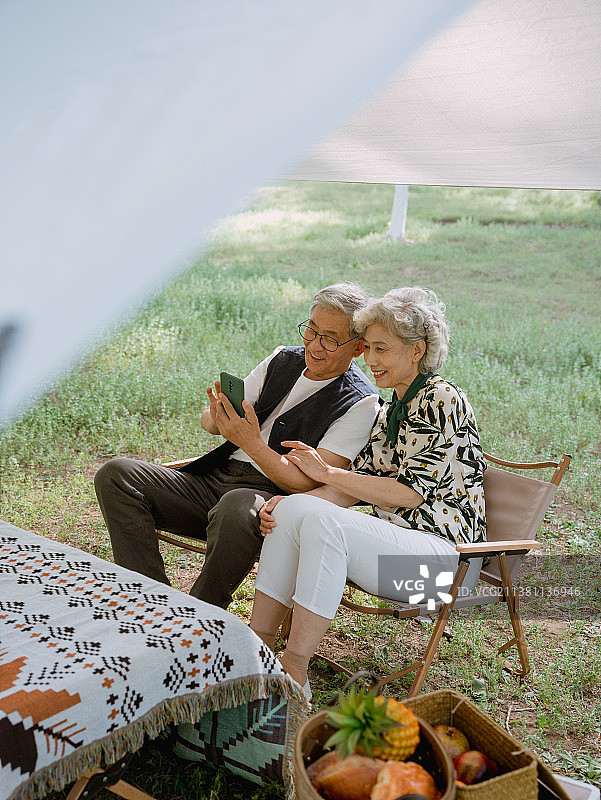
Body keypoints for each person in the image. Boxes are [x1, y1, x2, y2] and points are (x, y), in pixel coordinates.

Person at [249, 286, 486, 695]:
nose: (370, 360)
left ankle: (294, 671)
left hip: (441, 567)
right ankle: (255, 652)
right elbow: (351, 489)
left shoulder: (443, 398)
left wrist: (327, 474)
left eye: (382, 349)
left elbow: (408, 494)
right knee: (294, 512)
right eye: (369, 349)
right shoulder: (392, 407)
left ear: (417, 350)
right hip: (396, 550)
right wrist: (288, 504)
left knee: (325, 523)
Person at [94, 283, 380, 608]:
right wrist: (217, 418)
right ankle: (150, 600)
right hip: (213, 480)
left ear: (357, 348)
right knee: (116, 474)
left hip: (267, 503)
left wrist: (252, 443)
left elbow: (310, 481)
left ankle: (198, 619)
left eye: (330, 338)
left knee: (236, 506)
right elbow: (208, 423)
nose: (314, 345)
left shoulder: (361, 402)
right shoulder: (282, 359)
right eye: (311, 330)